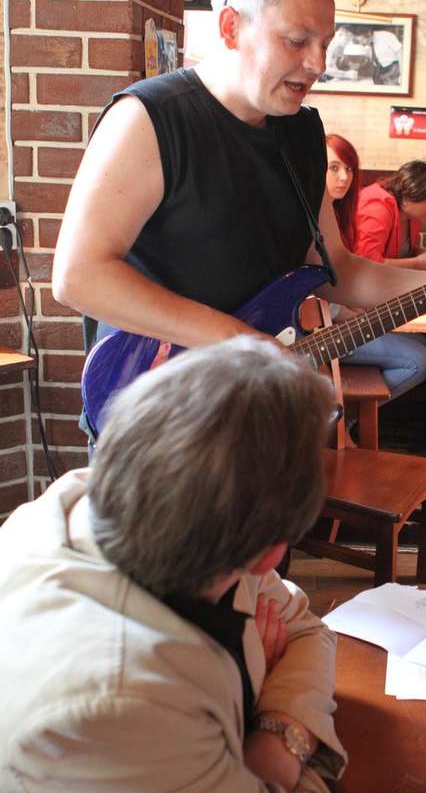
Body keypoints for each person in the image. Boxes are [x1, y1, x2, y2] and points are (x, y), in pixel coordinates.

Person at [51, 0, 426, 436]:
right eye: (297, 40)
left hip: (254, 414)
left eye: (326, 43)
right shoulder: (150, 119)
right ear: (231, 27)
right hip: (155, 414)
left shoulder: (301, 133)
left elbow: (337, 271)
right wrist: (239, 341)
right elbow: (79, 276)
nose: (318, 63)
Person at [0, 336, 347, 792]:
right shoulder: (112, 710)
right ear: (273, 554)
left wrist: (279, 732)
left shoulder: (133, 498)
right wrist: (272, 725)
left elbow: (309, 632)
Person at [325, 133, 426, 401]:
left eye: (349, 169)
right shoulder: (375, 205)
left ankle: (354, 414)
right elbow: (311, 282)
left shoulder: (337, 213)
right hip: (317, 330)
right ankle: (346, 415)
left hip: (343, 314)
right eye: (333, 168)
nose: (344, 178)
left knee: (422, 340)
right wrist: (349, 312)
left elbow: (348, 272)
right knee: (419, 359)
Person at [352, 160, 426, 270]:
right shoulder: (377, 208)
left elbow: (399, 253)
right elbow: (366, 263)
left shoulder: (411, 213)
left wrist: (422, 253)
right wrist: (417, 263)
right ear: (408, 195)